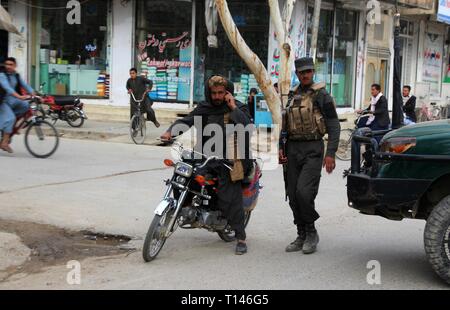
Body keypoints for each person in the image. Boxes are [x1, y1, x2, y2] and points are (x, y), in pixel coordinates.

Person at [160, 75, 253, 255]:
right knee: (181, 176)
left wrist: (232, 107)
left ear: (228, 93)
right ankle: (185, 208)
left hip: (229, 158)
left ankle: (241, 237)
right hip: (204, 155)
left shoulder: (238, 107)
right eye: (214, 93)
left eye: (221, 93)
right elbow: (187, 121)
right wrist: (170, 131)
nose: (217, 97)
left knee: (229, 196)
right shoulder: (205, 107)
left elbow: (247, 126)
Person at [279, 57, 340, 255]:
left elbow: (333, 124)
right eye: (301, 72)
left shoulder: (321, 94)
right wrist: (281, 147)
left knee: (304, 193)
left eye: (308, 72)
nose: (304, 75)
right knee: (293, 195)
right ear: (297, 74)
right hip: (293, 149)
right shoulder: (292, 95)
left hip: (313, 148)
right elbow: (285, 123)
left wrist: (330, 153)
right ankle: (301, 233)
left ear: (313, 72)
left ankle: (311, 232)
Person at [0, 57, 35, 153]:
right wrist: (19, 96)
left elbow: (26, 85)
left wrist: (34, 94)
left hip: (12, 100)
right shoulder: (2, 75)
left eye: (11, 65)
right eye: (7, 64)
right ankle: (4, 143)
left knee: (26, 106)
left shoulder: (16, 76)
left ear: (15, 66)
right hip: (3, 102)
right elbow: (8, 89)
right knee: (10, 118)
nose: (8, 66)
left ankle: (11, 128)